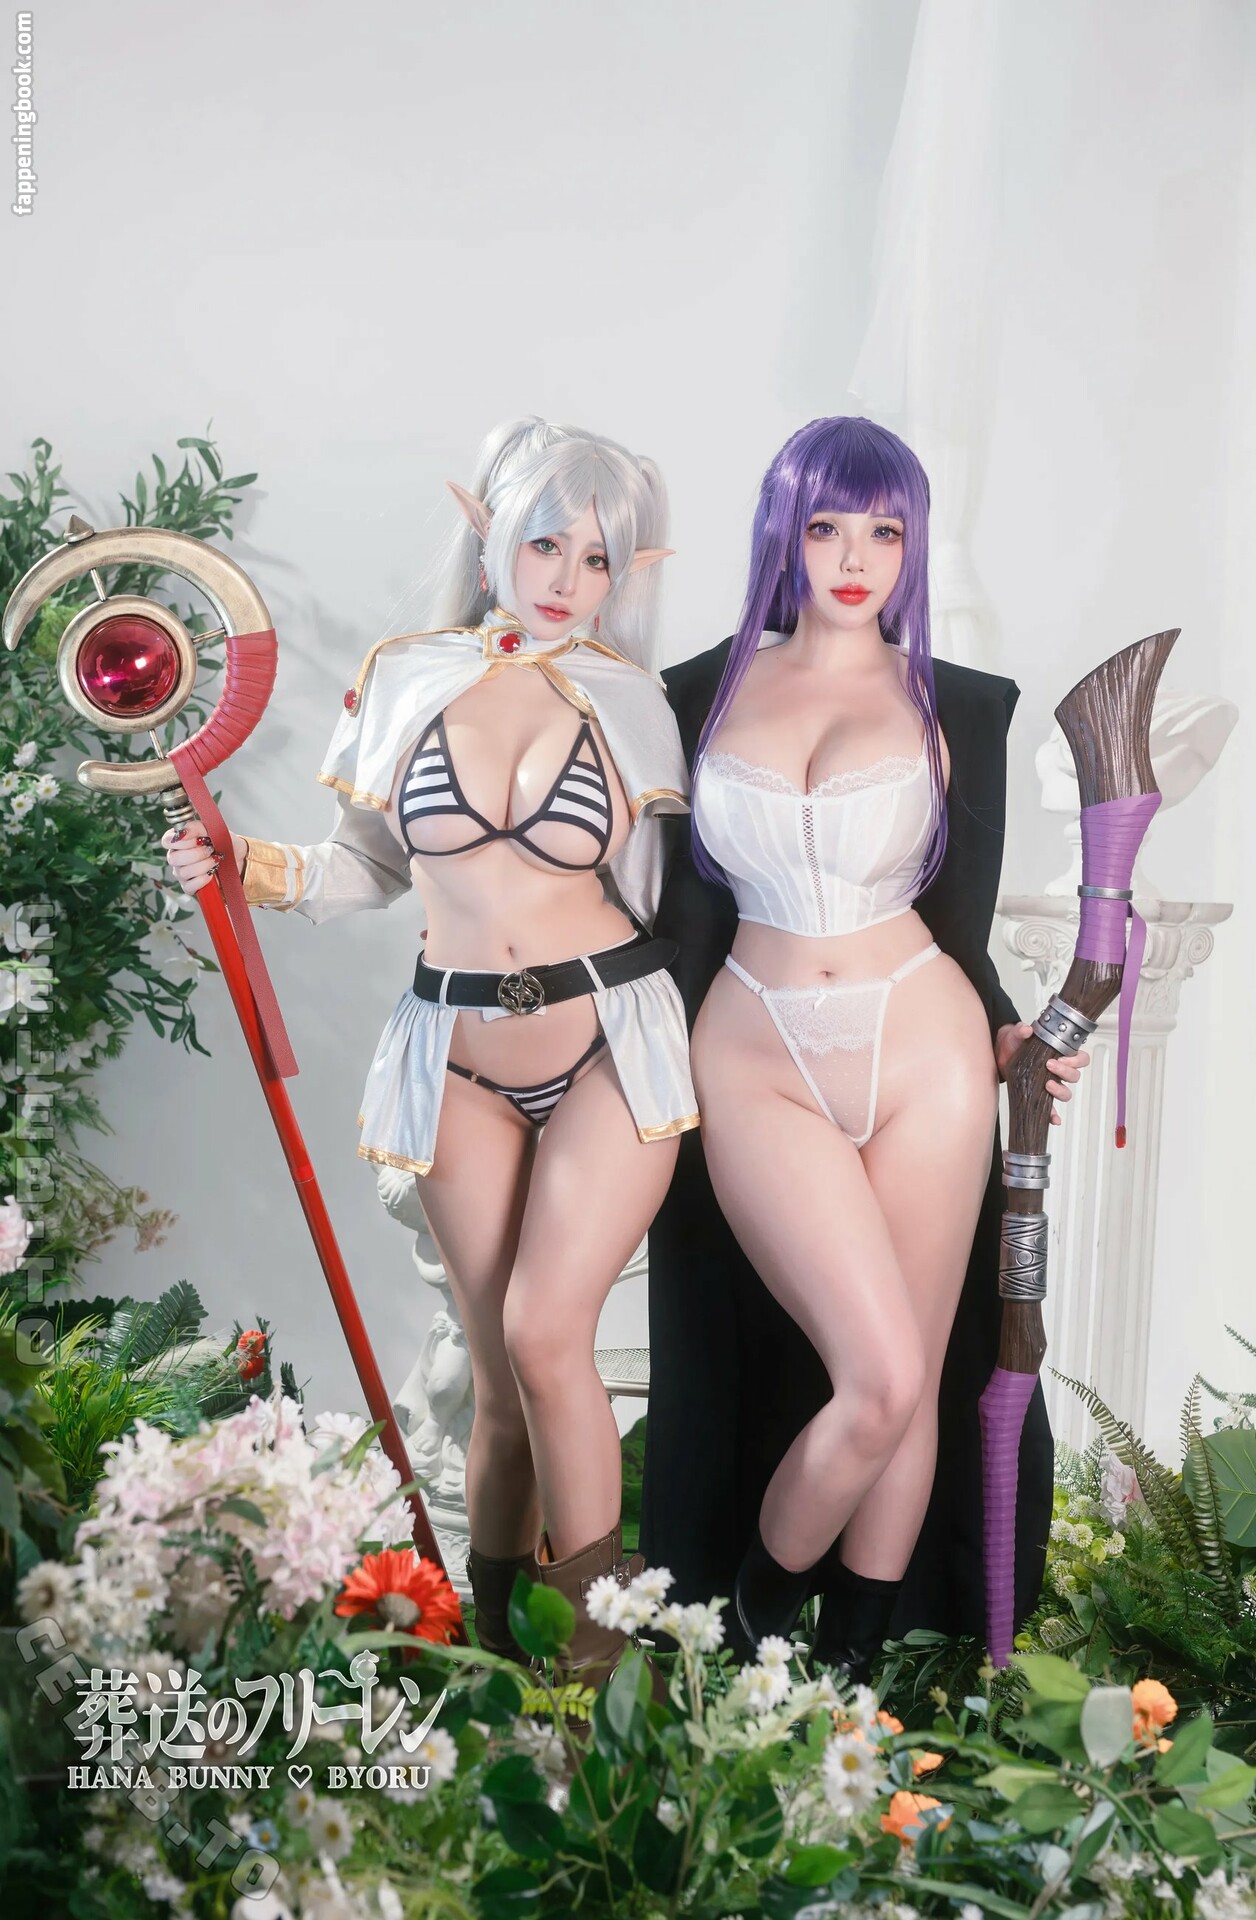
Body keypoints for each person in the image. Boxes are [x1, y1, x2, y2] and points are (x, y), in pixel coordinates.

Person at [165, 416, 697, 1685]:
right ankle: (498, 1660)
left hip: (607, 1041)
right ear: (490, 532)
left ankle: (592, 1677)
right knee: (498, 1373)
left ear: (625, 572)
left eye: (597, 558)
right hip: (454, 1052)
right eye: (545, 543)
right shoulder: (406, 677)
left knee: (547, 1333)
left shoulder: (634, 701)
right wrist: (242, 864)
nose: (565, 578)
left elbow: (672, 902)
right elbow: (364, 867)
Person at [641, 415, 1088, 1679]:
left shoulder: (958, 703)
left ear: (913, 544)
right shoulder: (691, 693)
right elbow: (659, 904)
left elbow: (963, 913)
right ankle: (746, 1639)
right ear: (782, 532)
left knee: (912, 1379)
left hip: (923, 1042)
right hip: (753, 1046)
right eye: (826, 526)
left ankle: (850, 1681)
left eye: (884, 531)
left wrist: (1009, 1030)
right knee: (875, 1375)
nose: (853, 558)